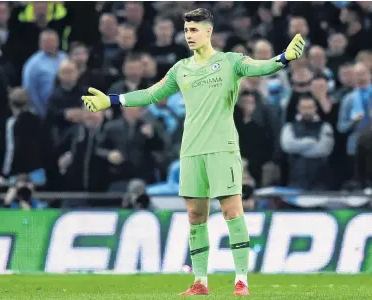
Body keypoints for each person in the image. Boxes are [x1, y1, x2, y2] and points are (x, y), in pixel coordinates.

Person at [82, 8, 305, 296]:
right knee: (195, 216)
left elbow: (261, 67)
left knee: (232, 211)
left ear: (208, 32)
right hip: (191, 150)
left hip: (222, 148)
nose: (189, 35)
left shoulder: (230, 62)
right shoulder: (181, 69)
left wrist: (284, 58)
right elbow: (151, 93)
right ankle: (200, 282)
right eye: (186, 30)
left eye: (194, 30)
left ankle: (241, 280)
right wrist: (110, 100)